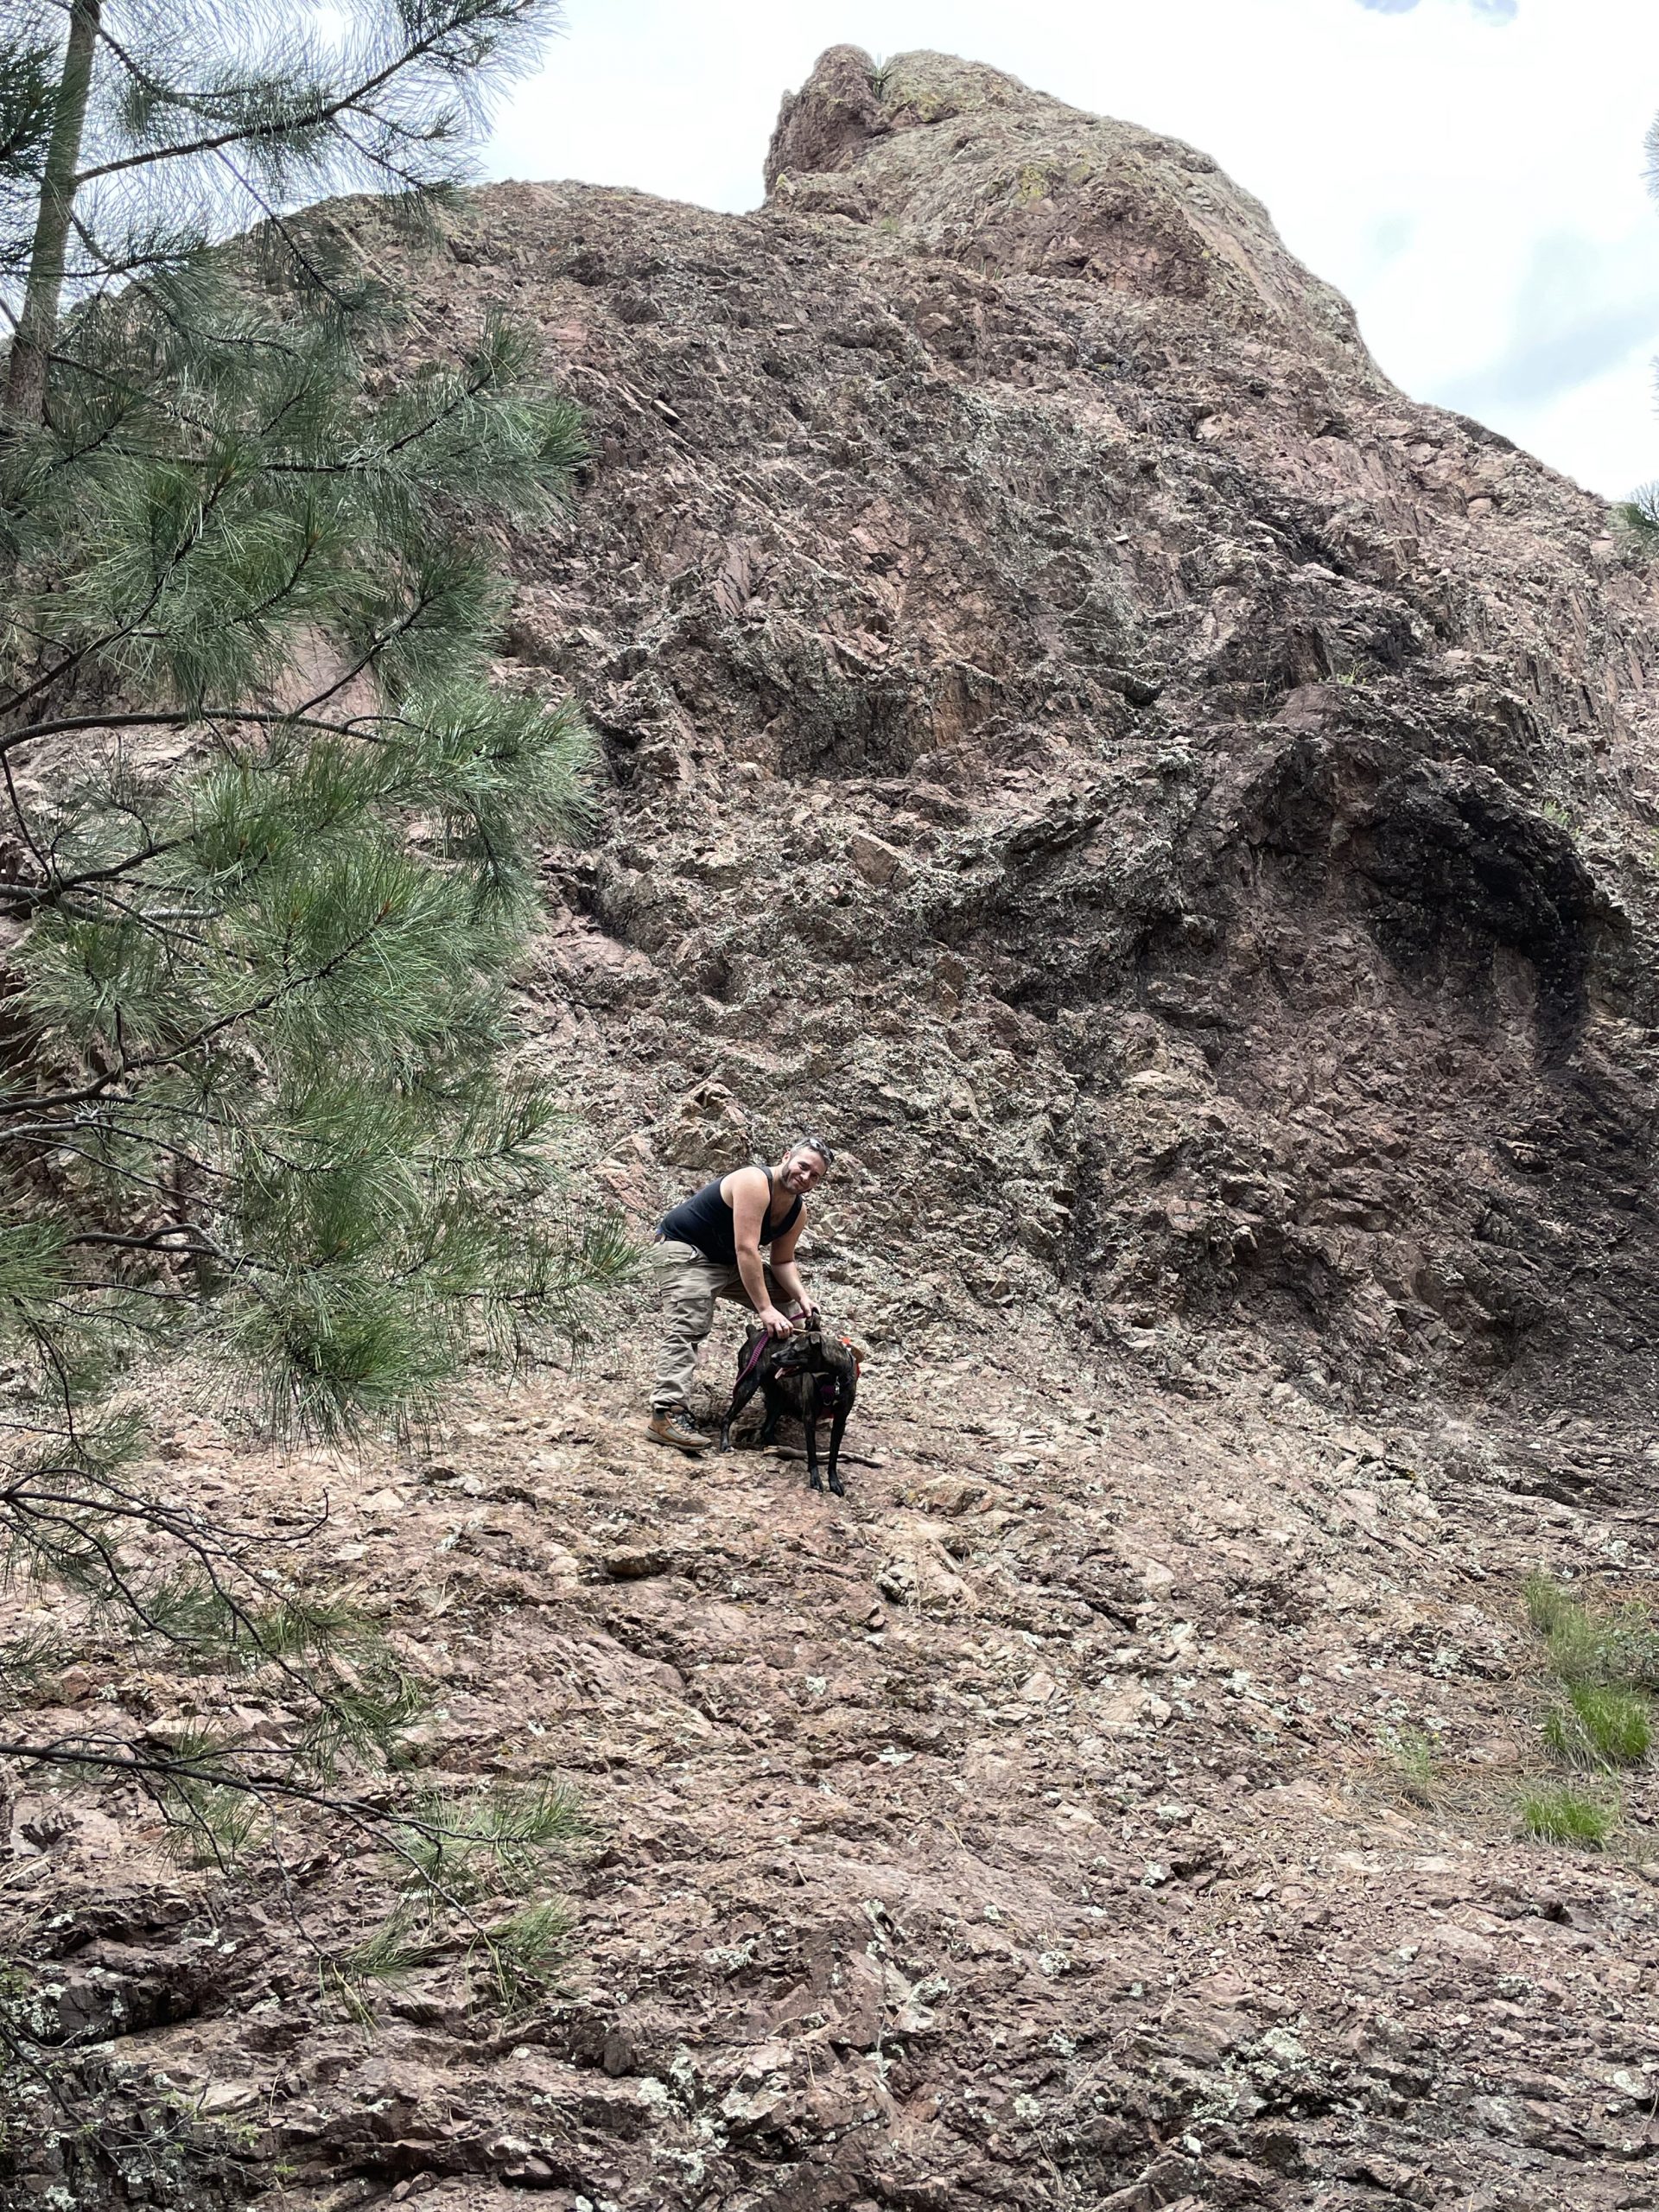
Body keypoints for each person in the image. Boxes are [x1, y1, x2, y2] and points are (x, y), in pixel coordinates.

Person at [645, 1136, 834, 1452]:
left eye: (815, 1175)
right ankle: (666, 1414)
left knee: (789, 1305)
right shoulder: (753, 1182)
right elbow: (746, 1248)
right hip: (684, 1251)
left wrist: (801, 1297)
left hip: (726, 1262)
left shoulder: (796, 1211)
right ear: (786, 1156)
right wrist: (765, 1309)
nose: (805, 1177)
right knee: (689, 1324)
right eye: (803, 1166)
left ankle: (788, 1393)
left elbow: (783, 1261)